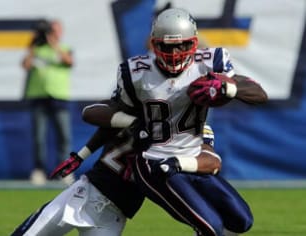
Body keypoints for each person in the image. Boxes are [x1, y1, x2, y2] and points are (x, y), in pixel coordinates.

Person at [80, 8, 268, 236]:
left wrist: (229, 87)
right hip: (155, 165)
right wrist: (83, 152)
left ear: (195, 42)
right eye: (167, 46)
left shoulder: (210, 63)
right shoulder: (136, 72)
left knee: (241, 220)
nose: (175, 52)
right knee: (210, 227)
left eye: (182, 45)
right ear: (154, 43)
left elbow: (259, 94)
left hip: (193, 159)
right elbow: (108, 115)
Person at [10, 121, 222, 236]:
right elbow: (97, 113)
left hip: (115, 214)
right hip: (85, 193)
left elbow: (211, 160)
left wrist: (178, 163)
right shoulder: (142, 106)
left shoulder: (194, 127)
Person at [22, 19, 74, 185]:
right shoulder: (37, 49)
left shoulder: (64, 48)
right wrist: (33, 44)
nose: (54, 33)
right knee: (39, 136)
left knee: (63, 136)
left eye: (57, 30)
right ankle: (39, 170)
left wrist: (54, 45)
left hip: (59, 96)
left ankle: (64, 171)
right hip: (39, 96)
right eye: (51, 31)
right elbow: (25, 65)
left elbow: (69, 61)